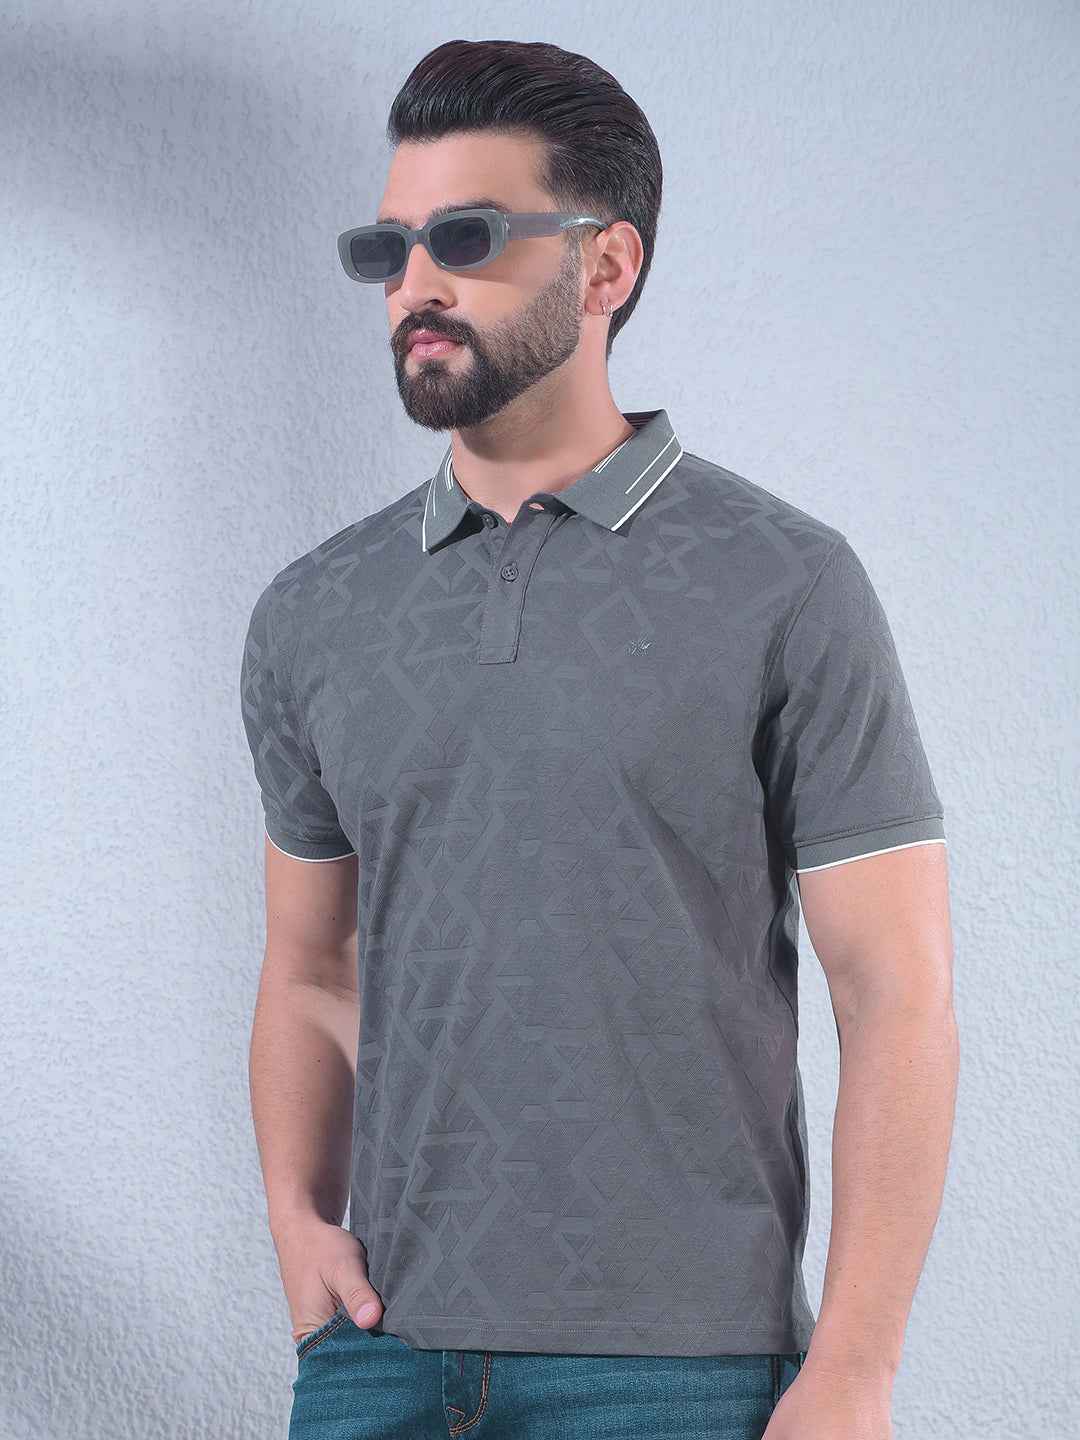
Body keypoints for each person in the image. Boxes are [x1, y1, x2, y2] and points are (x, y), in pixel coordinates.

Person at [240, 36, 958, 1440]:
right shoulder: (313, 611)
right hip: (378, 1358)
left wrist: (857, 1369)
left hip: (679, 1374)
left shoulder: (786, 581)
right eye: (390, 247)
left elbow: (896, 993)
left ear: (606, 266)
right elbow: (312, 967)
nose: (416, 282)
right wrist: (293, 1220)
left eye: (465, 237)